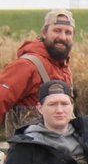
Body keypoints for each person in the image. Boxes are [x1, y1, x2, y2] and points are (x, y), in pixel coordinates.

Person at [0, 9, 75, 139]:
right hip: (26, 153)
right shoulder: (26, 65)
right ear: (44, 33)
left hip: (58, 151)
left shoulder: (64, 69)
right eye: (57, 30)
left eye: (68, 32)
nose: (63, 37)